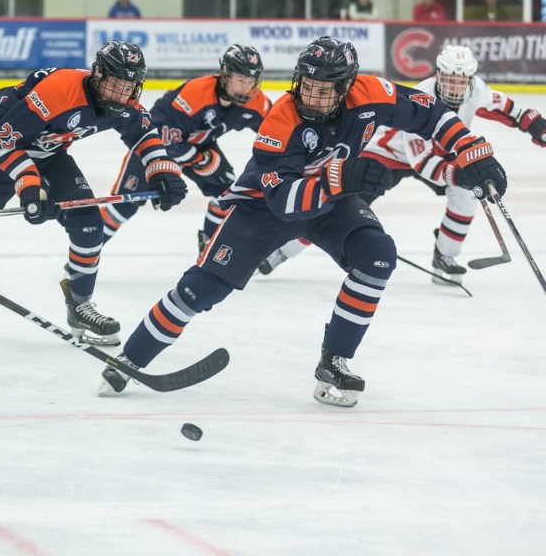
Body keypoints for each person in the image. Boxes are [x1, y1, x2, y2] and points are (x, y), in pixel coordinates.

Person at [98, 36, 508, 407]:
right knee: (200, 291)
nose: (310, 96)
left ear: (346, 86)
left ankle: (335, 361)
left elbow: (433, 114)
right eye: (306, 85)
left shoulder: (373, 92)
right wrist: (344, 178)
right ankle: (129, 357)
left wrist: (474, 153)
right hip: (265, 209)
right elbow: (285, 203)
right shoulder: (282, 118)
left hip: (330, 200)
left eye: (323, 89)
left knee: (377, 255)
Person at [0, 41, 187, 346]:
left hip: (48, 151)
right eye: (115, 85)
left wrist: (161, 168)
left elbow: (142, 132)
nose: (121, 95)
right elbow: (3, 143)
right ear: (98, 75)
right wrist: (30, 187)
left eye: (129, 87)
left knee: (89, 225)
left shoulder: (123, 102)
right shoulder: (59, 91)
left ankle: (80, 305)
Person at [259, 45, 545, 282]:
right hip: (386, 155)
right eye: (450, 79)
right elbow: (421, 162)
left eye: (462, 81)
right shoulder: (423, 95)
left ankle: (445, 255)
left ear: (471, 80)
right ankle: (283, 250)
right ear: (438, 75)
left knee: (467, 194)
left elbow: (508, 108)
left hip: (438, 150)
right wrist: (458, 174)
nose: (456, 87)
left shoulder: (478, 91)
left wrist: (534, 125)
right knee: (335, 205)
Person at [100, 44, 272, 253]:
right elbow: (165, 139)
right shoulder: (195, 95)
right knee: (122, 208)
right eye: (241, 80)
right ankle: (86, 249)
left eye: (251, 81)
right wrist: (200, 159)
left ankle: (209, 249)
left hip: (198, 145)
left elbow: (276, 134)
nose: (247, 88)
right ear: (225, 74)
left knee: (227, 196)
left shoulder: (256, 102)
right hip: (153, 146)